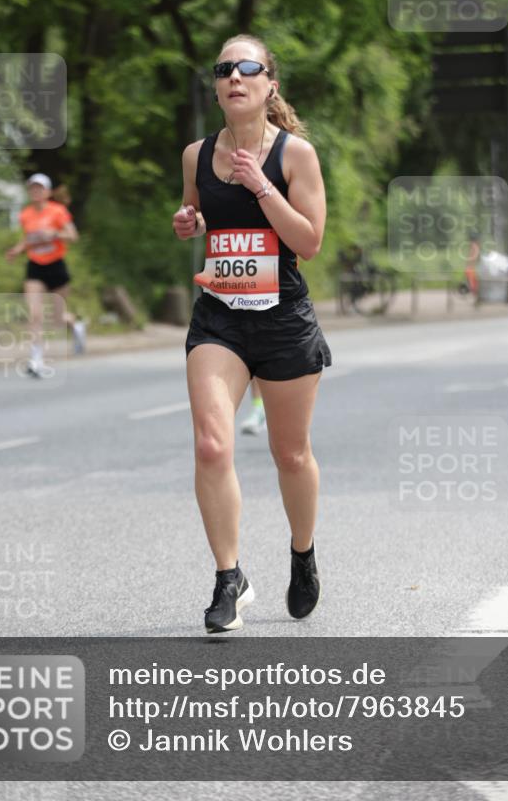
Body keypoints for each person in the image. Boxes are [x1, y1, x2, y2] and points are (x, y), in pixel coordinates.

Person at [172, 34, 331, 634]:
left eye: (248, 68)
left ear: (270, 85)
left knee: (290, 453)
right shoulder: (196, 154)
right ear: (217, 87)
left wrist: (261, 186)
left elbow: (309, 243)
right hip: (220, 316)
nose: (234, 77)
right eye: (224, 69)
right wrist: (190, 223)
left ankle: (303, 553)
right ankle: (228, 578)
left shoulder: (296, 155)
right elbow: (199, 216)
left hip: (283, 316)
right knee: (213, 445)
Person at [5, 173, 85, 376]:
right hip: (35, 267)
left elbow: (73, 236)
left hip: (56, 266)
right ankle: (36, 360)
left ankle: (75, 325)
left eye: (40, 188)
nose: (36, 191)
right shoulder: (25, 214)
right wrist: (17, 249)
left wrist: (55, 234)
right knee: (35, 315)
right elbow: (29, 239)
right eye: (32, 188)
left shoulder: (58, 212)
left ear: (48, 192)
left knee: (57, 320)